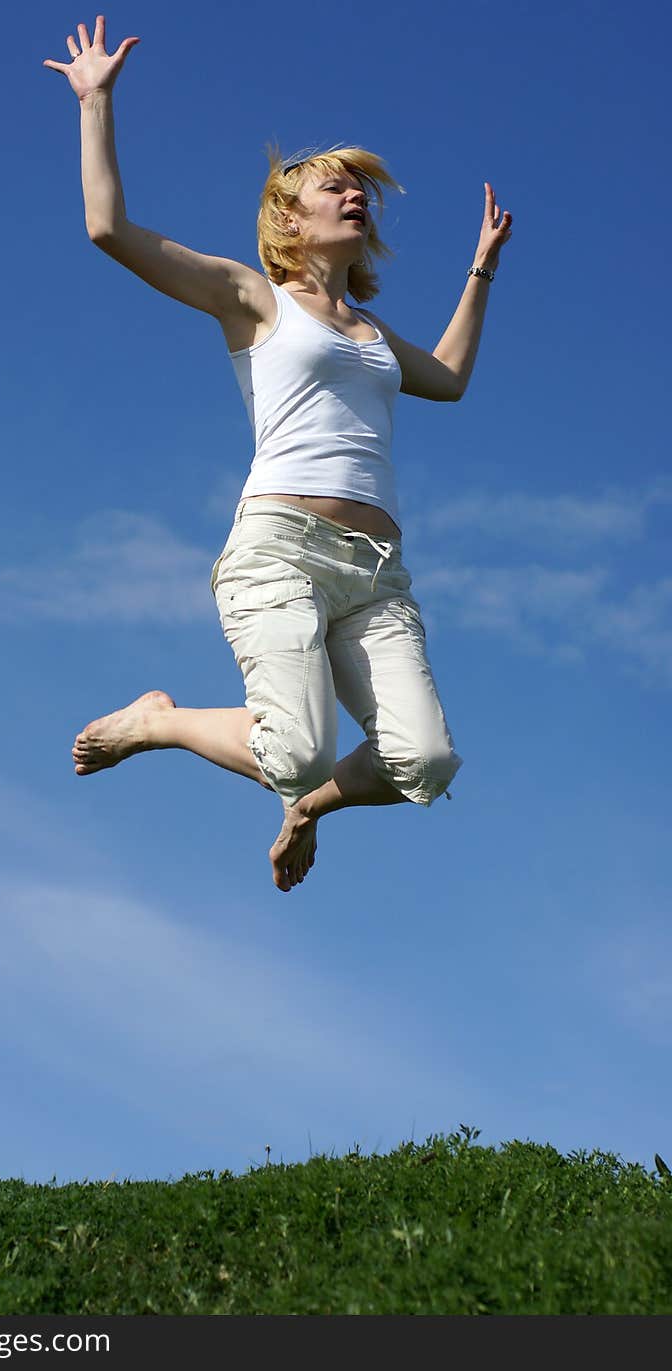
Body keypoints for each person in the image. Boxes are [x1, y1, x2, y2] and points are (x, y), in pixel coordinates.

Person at [44, 17, 513, 893]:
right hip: (282, 549)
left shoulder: (370, 331)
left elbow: (447, 379)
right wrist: (95, 100)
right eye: (335, 187)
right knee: (294, 747)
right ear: (288, 216)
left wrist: (480, 270)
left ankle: (305, 807)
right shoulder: (252, 299)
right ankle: (158, 723)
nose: (355, 196)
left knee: (427, 761)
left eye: (360, 190)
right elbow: (108, 228)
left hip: (376, 573)